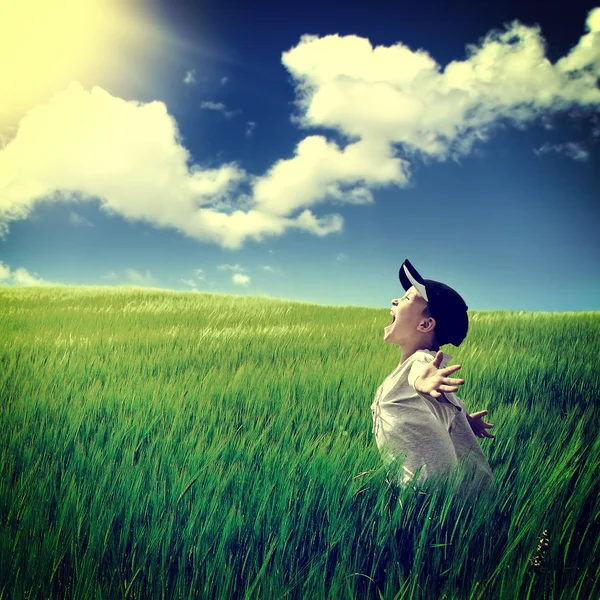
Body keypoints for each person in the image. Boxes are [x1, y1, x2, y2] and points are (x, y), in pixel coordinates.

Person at [371, 259, 497, 499]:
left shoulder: (422, 365)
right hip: (430, 490)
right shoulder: (420, 368)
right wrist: (466, 422)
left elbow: (421, 376)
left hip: (427, 494)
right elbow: (443, 409)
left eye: (407, 298)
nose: (394, 300)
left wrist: (422, 383)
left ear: (426, 324)